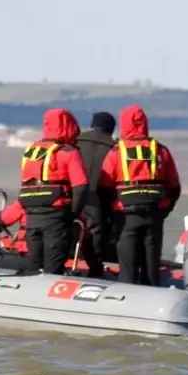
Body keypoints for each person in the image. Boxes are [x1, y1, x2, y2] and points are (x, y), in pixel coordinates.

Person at [97, 105, 181, 286]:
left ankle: (127, 302)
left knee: (127, 268)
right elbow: (174, 187)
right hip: (154, 215)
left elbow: (104, 186)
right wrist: (162, 210)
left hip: (125, 217)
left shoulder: (116, 152)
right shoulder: (160, 150)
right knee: (151, 267)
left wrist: (112, 213)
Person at [8, 107, 89, 275]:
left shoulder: (31, 151)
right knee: (53, 269)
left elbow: (27, 188)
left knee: (33, 266)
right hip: (56, 219)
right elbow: (81, 186)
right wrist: (72, 214)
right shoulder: (69, 152)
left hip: (31, 220)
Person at [76, 111, 117, 277]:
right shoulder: (115, 147)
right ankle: (95, 269)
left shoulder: (75, 141)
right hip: (101, 200)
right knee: (97, 231)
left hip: (73, 195)